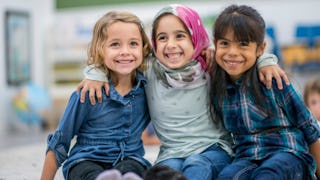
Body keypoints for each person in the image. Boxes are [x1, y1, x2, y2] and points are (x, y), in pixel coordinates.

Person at [77, 4, 288, 180]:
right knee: (162, 172)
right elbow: (119, 60)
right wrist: (94, 74)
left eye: (180, 36)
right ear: (153, 43)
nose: (171, 45)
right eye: (162, 38)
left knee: (197, 165)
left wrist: (266, 61)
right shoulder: (149, 69)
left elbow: (243, 57)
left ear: (194, 39)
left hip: (213, 149)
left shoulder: (209, 64)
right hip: (171, 152)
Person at [209, 4, 320, 179]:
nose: (232, 52)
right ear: (215, 44)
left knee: (268, 174)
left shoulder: (274, 80)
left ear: (260, 49)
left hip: (288, 153)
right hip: (247, 157)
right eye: (224, 43)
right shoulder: (218, 86)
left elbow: (310, 129)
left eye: (243, 44)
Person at [40, 11, 153, 180]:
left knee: (132, 168)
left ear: (143, 48)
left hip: (130, 157)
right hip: (86, 158)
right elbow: (60, 142)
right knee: (86, 172)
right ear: (100, 50)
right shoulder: (87, 94)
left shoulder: (148, 90)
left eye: (133, 44)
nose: (125, 51)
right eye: (115, 44)